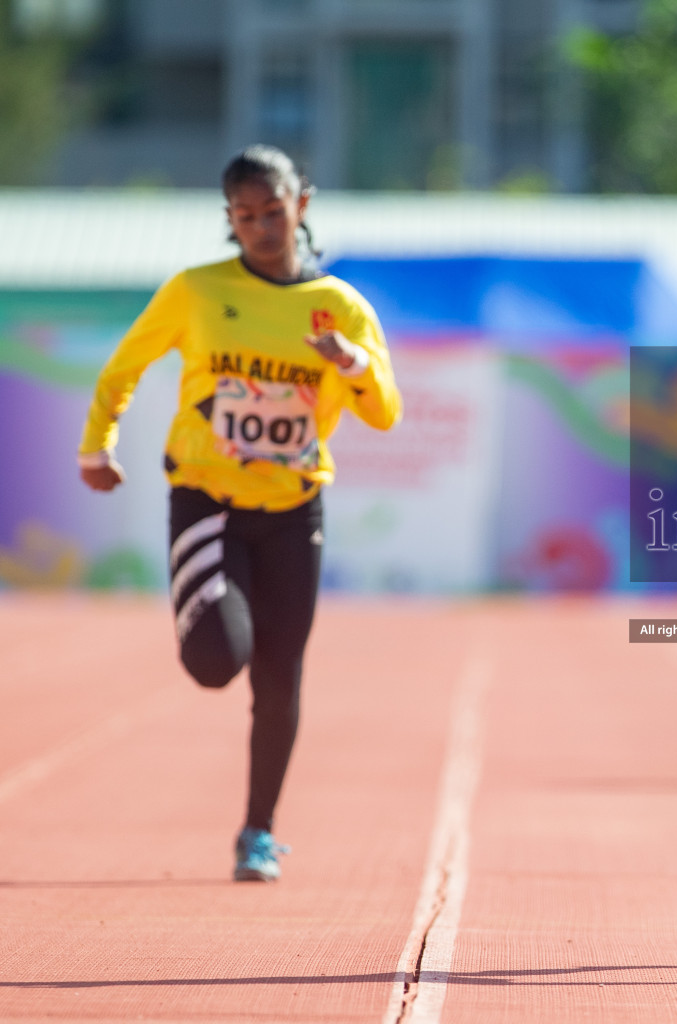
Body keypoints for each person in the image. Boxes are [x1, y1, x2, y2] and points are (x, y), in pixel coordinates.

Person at [77, 145, 402, 882]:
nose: (260, 227)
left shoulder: (342, 308)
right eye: (244, 216)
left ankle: (258, 832)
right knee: (218, 661)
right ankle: (214, 620)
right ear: (229, 220)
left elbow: (384, 412)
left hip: (293, 508)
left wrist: (350, 363)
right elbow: (124, 365)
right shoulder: (196, 291)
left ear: (303, 206)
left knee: (281, 674)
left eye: (273, 211)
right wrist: (96, 446)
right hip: (207, 498)